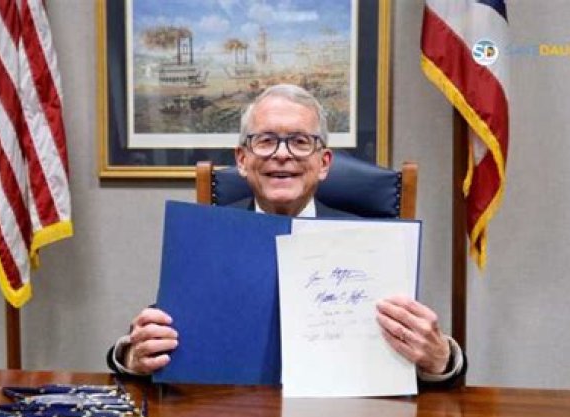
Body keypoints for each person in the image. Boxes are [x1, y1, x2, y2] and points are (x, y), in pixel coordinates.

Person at [107, 84, 466, 385]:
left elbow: (414, 353)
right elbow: (154, 339)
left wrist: (441, 358)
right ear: (242, 159)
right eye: (266, 141)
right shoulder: (207, 238)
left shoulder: (369, 241)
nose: (282, 155)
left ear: (324, 163)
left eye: (300, 141)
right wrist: (132, 355)